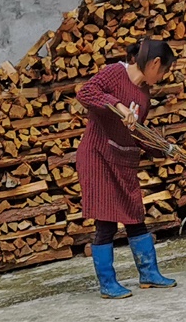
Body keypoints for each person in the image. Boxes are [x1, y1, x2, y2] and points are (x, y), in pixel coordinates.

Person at [75, 37, 179, 299]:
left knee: (135, 217)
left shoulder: (144, 95)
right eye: (164, 70)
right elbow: (85, 93)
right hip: (97, 155)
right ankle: (108, 284)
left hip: (122, 159)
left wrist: (164, 149)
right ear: (155, 63)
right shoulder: (114, 73)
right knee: (106, 222)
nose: (163, 76)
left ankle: (149, 274)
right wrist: (119, 106)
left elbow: (139, 134)